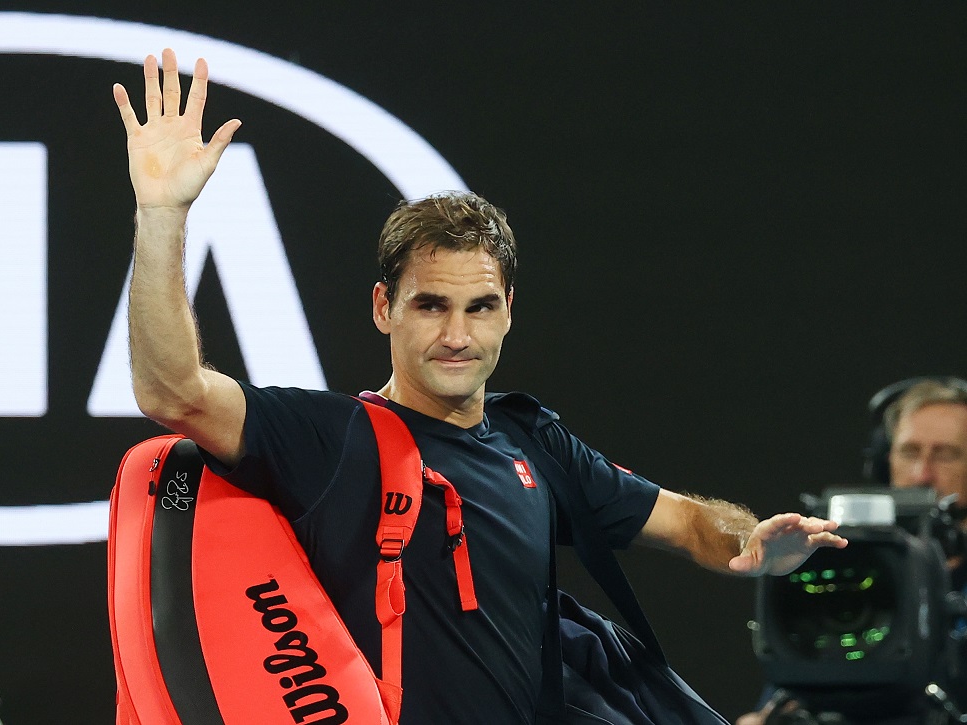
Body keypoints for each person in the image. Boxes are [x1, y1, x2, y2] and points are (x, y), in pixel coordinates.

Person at [112, 49, 847, 724]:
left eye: (479, 307)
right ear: (383, 308)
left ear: (507, 313)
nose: (457, 334)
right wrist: (162, 213)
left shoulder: (533, 438)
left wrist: (750, 538)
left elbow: (691, 524)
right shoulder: (331, 440)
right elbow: (171, 390)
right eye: (431, 305)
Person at [736, 377, 967, 725]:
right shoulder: (840, 566)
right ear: (883, 460)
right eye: (909, 452)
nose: (923, 474)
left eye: (946, 454)